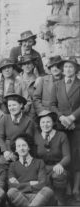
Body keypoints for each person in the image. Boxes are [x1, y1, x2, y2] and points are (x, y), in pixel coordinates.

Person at [50, 57, 80, 201]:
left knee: (76, 156)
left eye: (71, 67)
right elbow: (52, 105)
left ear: (76, 69)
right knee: (64, 155)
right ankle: (66, 187)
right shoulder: (57, 84)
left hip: (77, 125)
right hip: (61, 125)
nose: (68, 69)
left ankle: (76, 189)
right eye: (66, 67)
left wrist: (72, 118)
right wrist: (62, 118)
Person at [7, 134, 54, 207]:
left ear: (29, 147)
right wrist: (31, 184)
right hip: (20, 196)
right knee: (11, 192)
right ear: (15, 149)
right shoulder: (12, 165)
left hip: (38, 196)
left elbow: (42, 183)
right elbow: (12, 186)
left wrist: (21, 185)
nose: (21, 148)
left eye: (24, 145)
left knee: (47, 190)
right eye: (18, 146)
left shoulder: (39, 162)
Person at [34, 110, 70, 205]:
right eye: (43, 122)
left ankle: (59, 200)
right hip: (42, 168)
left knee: (59, 175)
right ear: (39, 124)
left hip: (56, 167)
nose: (45, 125)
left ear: (53, 123)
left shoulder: (61, 136)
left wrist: (60, 165)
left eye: (48, 122)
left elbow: (67, 156)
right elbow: (34, 157)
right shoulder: (35, 137)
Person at [0, 94, 35, 169]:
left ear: (21, 105)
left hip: (21, 151)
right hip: (5, 151)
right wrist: (5, 152)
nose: (12, 108)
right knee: (0, 164)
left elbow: (28, 140)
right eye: (9, 106)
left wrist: (16, 154)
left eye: (14, 105)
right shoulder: (4, 118)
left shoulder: (28, 121)